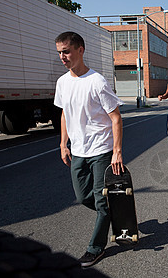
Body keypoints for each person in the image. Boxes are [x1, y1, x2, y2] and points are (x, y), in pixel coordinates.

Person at [54, 31, 124, 268]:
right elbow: (64, 113)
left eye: (66, 51)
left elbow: (115, 117)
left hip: (101, 149)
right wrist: (63, 144)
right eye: (60, 52)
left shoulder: (97, 81)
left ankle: (95, 248)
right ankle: (115, 214)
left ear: (80, 50)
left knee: (100, 200)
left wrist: (116, 151)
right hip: (78, 150)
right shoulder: (62, 82)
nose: (62, 56)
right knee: (82, 197)